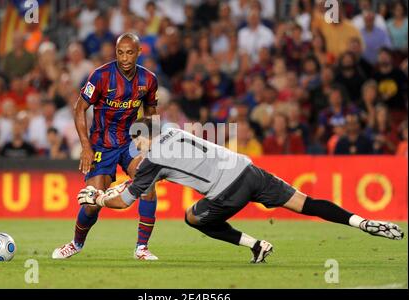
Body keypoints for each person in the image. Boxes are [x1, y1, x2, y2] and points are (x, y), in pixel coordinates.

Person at [78, 118, 404, 263]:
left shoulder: (151, 160)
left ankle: (255, 243)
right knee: (307, 203)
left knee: (193, 217)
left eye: (138, 143)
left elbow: (124, 201)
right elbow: (150, 177)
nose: (137, 149)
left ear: (145, 138)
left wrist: (98, 198)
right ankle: (361, 222)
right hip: (249, 170)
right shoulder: (175, 132)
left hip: (227, 190)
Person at [52, 33, 160, 260]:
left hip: (129, 143)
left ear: (139, 53)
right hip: (101, 145)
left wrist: (150, 140)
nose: (125, 58)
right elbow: (79, 108)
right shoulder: (100, 76)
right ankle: (76, 243)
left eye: (130, 52)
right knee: (92, 202)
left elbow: (151, 111)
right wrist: (86, 147)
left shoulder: (148, 80)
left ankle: (142, 248)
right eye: (120, 52)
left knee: (147, 184)